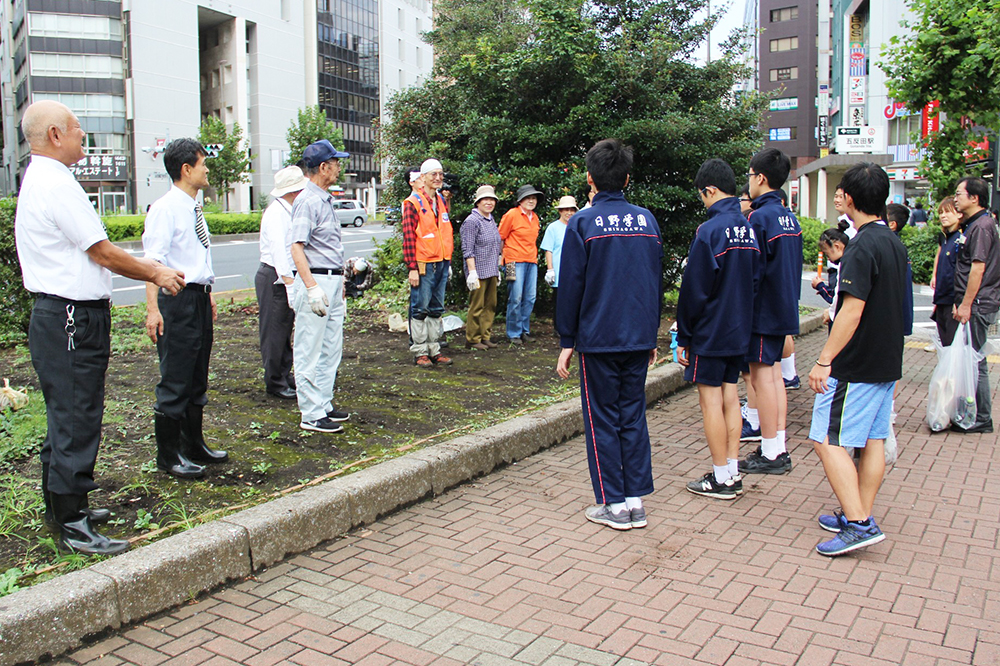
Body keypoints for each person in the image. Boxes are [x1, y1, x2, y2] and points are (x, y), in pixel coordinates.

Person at [15, 100, 184, 555]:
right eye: (76, 129)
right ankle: (72, 522)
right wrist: (155, 272)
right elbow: (102, 251)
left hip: (58, 315)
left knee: (66, 413)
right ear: (54, 135)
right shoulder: (57, 184)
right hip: (71, 316)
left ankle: (63, 507)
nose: (81, 138)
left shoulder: (40, 179)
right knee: (76, 414)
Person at [556, 138, 662, 530]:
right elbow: (653, 281)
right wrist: (650, 335)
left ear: (590, 179)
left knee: (602, 418)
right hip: (636, 336)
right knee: (632, 416)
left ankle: (614, 505)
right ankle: (635, 500)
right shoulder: (646, 221)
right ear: (627, 178)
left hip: (598, 339)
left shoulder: (583, 223)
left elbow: (571, 287)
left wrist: (567, 341)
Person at [808, 162, 908, 556]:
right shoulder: (892, 241)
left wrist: (824, 360)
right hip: (887, 359)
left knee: (826, 439)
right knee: (873, 440)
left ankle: (860, 522)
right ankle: (858, 513)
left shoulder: (861, 245)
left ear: (849, 198)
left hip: (858, 362)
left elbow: (851, 309)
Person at [143, 139, 228, 481]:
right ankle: (169, 456)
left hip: (196, 297)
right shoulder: (165, 208)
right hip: (175, 299)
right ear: (186, 169)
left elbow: (196, 255)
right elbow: (153, 263)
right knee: (176, 378)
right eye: (202, 163)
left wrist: (206, 291)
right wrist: (153, 309)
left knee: (197, 376)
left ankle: (193, 444)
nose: (207, 169)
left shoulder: (194, 206)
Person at [676, 159, 760, 500]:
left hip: (710, 331)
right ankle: (732, 470)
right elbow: (755, 281)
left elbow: (694, 289)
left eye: (702, 196)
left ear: (710, 190)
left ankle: (720, 477)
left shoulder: (709, 231)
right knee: (730, 396)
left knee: (710, 399)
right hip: (739, 328)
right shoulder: (748, 228)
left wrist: (684, 334)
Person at [739, 148, 802, 476]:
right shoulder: (788, 217)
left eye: (750, 175)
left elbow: (750, 270)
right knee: (775, 378)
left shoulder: (757, 217)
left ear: (760, 178)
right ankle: (777, 446)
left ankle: (771, 451)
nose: (748, 182)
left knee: (763, 379)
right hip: (782, 309)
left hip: (762, 312)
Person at [288, 139, 352, 433]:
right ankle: (311, 414)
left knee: (330, 347)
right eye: (335, 162)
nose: (339, 167)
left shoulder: (323, 198)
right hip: (316, 279)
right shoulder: (307, 200)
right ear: (323, 167)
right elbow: (296, 247)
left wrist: (338, 281)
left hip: (331, 278)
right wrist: (311, 286)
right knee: (309, 348)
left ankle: (323, 403)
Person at [950, 176, 999, 433]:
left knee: (976, 361)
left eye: (959, 194)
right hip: (976, 302)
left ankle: (981, 419)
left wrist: (967, 304)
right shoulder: (974, 224)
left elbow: (977, 268)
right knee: (972, 359)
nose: (956, 198)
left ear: (974, 198)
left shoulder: (981, 227)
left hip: (980, 303)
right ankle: (974, 414)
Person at [256, 166, 308, 401]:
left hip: (285, 276)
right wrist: (289, 283)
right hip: (275, 276)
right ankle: (275, 380)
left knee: (285, 328)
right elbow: (279, 252)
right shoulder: (276, 213)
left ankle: (284, 374)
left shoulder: (288, 211)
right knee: (274, 331)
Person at [401, 158, 454, 367]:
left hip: (441, 261)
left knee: (436, 308)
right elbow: (408, 238)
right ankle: (420, 350)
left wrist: (447, 262)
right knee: (420, 308)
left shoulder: (440, 201)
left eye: (440, 174)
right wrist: (412, 267)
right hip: (423, 263)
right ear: (422, 177)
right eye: (433, 174)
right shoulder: (412, 203)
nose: (438, 178)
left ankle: (434, 348)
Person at [460, 185, 503, 351]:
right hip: (477, 271)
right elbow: (467, 248)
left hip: (491, 270)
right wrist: (472, 272)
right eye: (485, 199)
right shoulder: (472, 221)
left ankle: (485, 336)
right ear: (478, 202)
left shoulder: (491, 219)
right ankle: (472, 338)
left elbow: (495, 245)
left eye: (492, 199)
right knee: (477, 305)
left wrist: (497, 267)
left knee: (490, 305)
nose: (489, 202)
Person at [500, 185, 543, 343]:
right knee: (515, 297)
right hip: (512, 260)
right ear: (520, 200)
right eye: (528, 198)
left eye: (534, 198)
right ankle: (513, 332)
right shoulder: (512, 214)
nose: (531, 201)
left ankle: (524, 330)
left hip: (531, 260)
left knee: (530, 297)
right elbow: (501, 236)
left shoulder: (535, 217)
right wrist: (501, 259)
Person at [929, 197, 963, 347]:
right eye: (941, 212)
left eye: (948, 212)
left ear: (959, 214)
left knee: (953, 345)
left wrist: (959, 301)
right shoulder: (944, 238)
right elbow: (939, 255)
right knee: (945, 345)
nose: (943, 216)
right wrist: (934, 275)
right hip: (942, 299)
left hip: (953, 301)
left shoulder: (961, 239)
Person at [541, 195, 578, 333]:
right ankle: (559, 328)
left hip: (574, 270)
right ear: (560, 211)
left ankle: (572, 327)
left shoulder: (577, 227)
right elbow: (548, 249)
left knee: (574, 300)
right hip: (559, 269)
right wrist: (550, 269)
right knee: (559, 302)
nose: (569, 213)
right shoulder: (553, 227)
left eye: (571, 210)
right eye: (565, 210)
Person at [811, 227, 850, 330]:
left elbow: (834, 298)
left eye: (827, 254)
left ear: (837, 247)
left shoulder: (845, 266)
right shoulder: (849, 262)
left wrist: (820, 286)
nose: (828, 258)